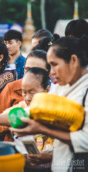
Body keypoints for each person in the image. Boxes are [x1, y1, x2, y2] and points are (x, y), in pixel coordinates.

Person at [10, 36, 88, 172]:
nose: (51, 72)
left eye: (54, 64)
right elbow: (31, 112)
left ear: (74, 61)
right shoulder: (62, 86)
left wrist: (42, 129)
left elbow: (85, 140)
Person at [0, 50, 50, 140]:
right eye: (27, 70)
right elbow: (2, 120)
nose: (31, 74)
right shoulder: (11, 88)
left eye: (36, 71)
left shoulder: (54, 97)